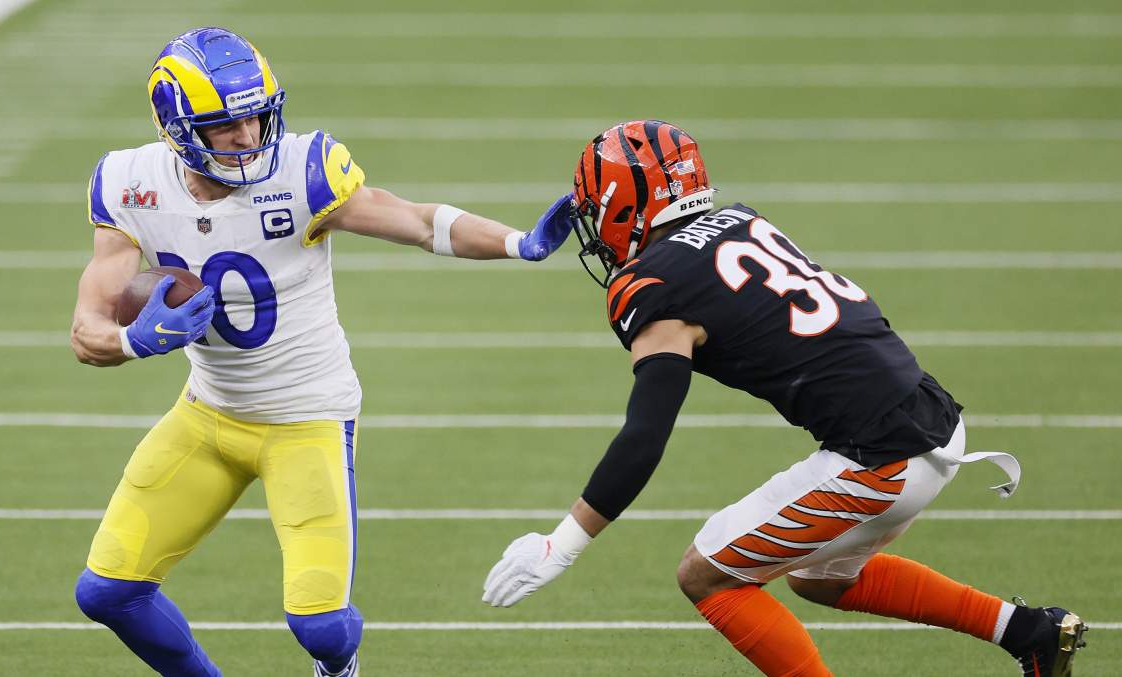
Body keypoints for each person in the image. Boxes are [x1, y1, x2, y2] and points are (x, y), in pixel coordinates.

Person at [481, 120, 1087, 676]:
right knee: (820, 578)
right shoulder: (741, 221)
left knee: (706, 576)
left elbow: (644, 436)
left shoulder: (654, 287)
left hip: (879, 460)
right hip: (935, 421)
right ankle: (1030, 633)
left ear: (626, 207)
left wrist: (562, 545)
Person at [69, 27, 575, 677]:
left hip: (306, 417)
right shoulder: (130, 182)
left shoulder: (302, 172)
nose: (248, 136)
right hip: (208, 414)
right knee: (106, 592)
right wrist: (132, 341)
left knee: (322, 628)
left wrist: (516, 243)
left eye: (256, 115)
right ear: (177, 128)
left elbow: (417, 221)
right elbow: (87, 328)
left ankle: (340, 666)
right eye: (226, 125)